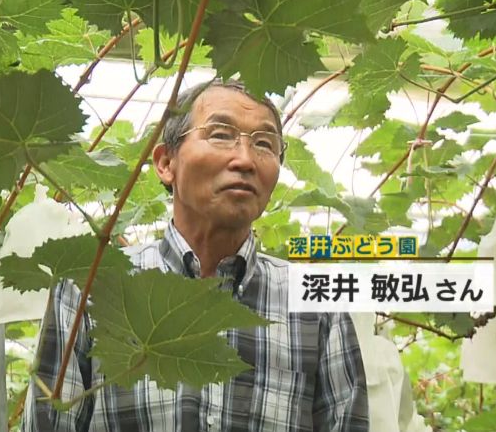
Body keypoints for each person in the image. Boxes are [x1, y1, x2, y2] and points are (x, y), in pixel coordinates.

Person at [23, 80, 369, 431]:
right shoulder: (93, 286)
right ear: (165, 162)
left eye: (264, 143)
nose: (246, 159)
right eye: (221, 135)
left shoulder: (316, 304)